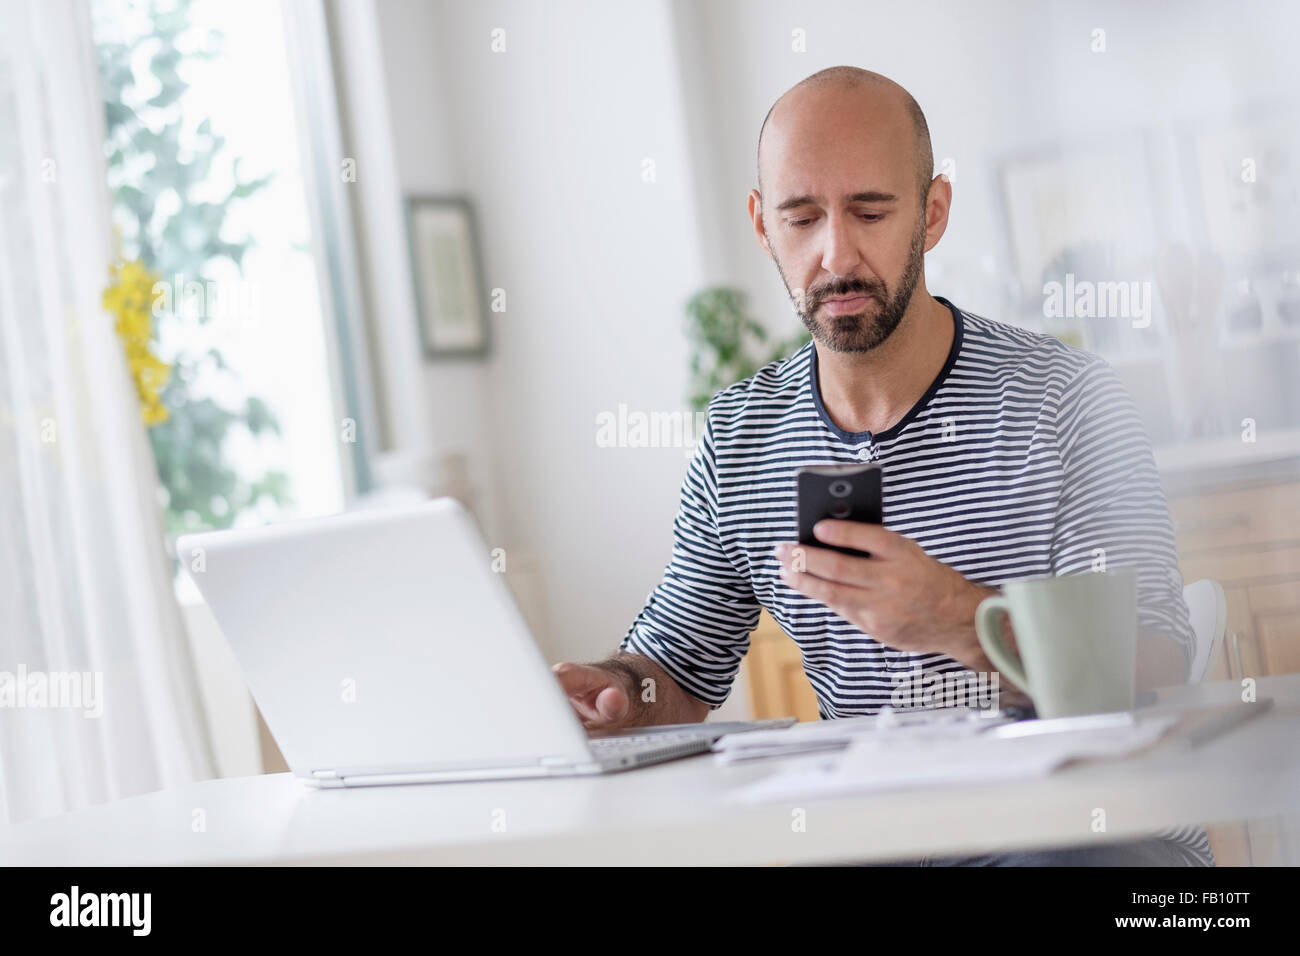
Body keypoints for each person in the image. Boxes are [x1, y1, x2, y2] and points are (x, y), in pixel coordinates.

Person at [552, 66, 1212, 867]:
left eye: (869, 211)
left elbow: (1153, 671)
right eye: (801, 218)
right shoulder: (742, 438)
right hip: (885, 839)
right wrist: (616, 695)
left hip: (1088, 837)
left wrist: (962, 621)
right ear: (763, 227)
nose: (835, 255)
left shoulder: (1066, 401)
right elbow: (678, 670)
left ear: (931, 214)